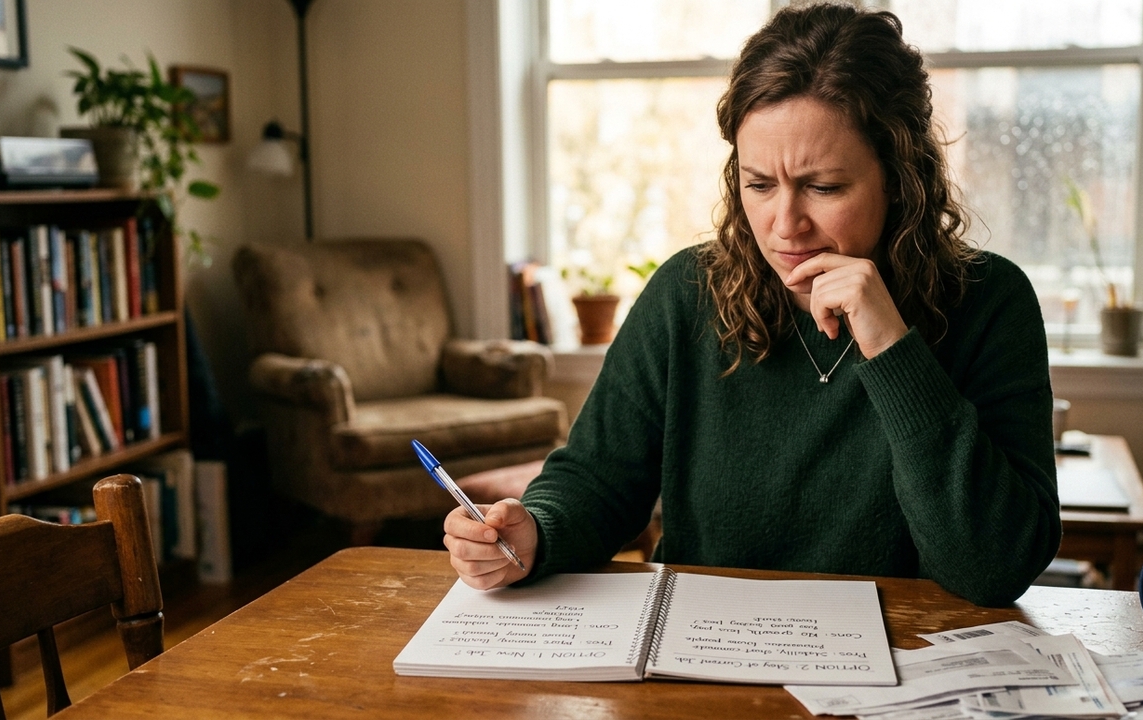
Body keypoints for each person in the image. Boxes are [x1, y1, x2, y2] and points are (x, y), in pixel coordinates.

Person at [444, 3, 1060, 607]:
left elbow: (993, 568)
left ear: (899, 179)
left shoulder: (990, 302)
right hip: (702, 657)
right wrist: (536, 529)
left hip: (899, 675)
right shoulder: (686, 293)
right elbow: (598, 480)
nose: (784, 225)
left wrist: (893, 349)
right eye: (759, 184)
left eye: (824, 187)